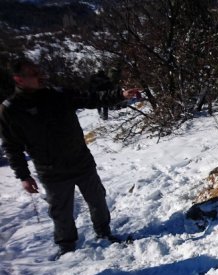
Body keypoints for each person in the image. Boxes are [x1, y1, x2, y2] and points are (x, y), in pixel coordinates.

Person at [0, 59, 140, 259]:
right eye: (33, 73)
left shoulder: (59, 95)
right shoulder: (11, 109)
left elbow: (92, 98)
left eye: (39, 70)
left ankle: (104, 233)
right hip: (51, 170)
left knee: (98, 200)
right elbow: (11, 147)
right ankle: (66, 248)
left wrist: (120, 94)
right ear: (19, 79)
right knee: (61, 211)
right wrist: (23, 175)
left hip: (81, 162)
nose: (40, 75)